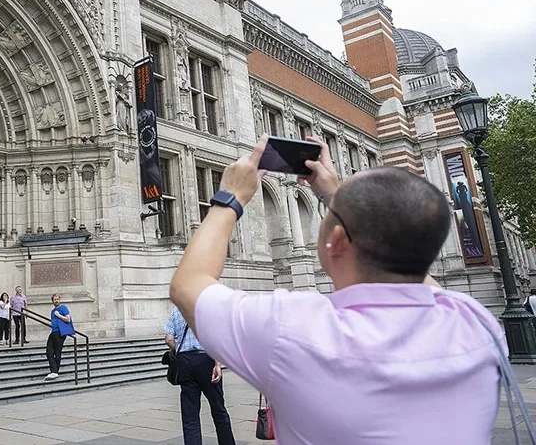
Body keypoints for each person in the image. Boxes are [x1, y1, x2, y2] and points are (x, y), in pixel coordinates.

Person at [169, 134, 507, 444]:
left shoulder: (293, 329)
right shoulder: (479, 324)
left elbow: (188, 285)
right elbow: (412, 268)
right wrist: (336, 195)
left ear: (338, 240)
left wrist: (230, 196)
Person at [164, 307, 235, 445]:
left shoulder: (177, 310)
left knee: (190, 414)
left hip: (185, 362)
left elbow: (168, 339)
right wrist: (217, 364)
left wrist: (178, 350)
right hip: (206, 359)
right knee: (218, 408)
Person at [45, 293, 74, 381]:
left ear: (59, 300)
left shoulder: (63, 308)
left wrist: (59, 316)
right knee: (49, 352)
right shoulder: (52, 311)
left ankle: (54, 371)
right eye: (54, 299)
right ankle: (54, 371)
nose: (56, 301)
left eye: (57, 299)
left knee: (57, 353)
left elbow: (68, 319)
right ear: (52, 301)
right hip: (53, 332)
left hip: (60, 333)